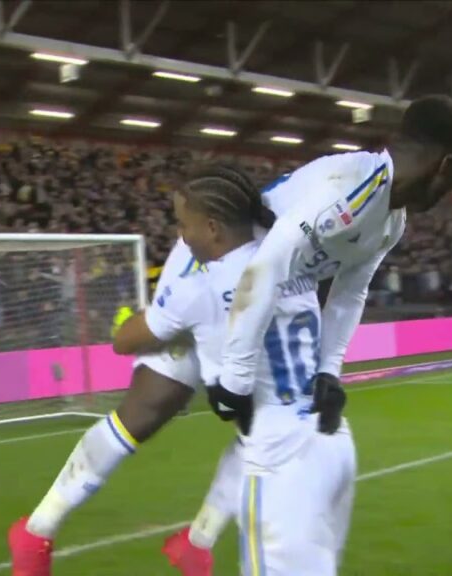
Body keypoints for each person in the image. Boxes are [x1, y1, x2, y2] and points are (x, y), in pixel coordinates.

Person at [7, 94, 452, 576]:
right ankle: (36, 532)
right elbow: (265, 263)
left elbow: (350, 295)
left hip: (270, 295)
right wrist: (235, 374)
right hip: (214, 272)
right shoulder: (349, 191)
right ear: (447, 166)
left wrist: (330, 372)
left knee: (272, 419)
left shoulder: (390, 221)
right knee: (150, 408)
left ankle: (196, 542)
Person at [114, 165, 354, 575]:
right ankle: (196, 541)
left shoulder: (199, 288)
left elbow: (124, 340)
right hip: (332, 441)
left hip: (278, 457)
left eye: (183, 225)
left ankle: (195, 543)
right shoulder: (293, 261)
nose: (181, 237)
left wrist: (168, 324)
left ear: (211, 228)